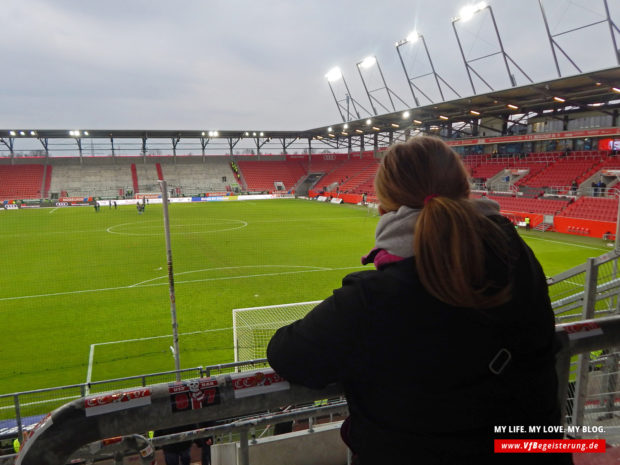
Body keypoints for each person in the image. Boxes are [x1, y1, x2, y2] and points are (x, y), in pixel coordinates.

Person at [267, 136, 571, 464]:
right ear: (465, 193)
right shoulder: (519, 259)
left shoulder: (372, 299)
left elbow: (287, 353)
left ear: (384, 208)